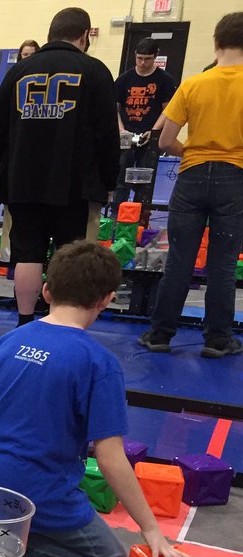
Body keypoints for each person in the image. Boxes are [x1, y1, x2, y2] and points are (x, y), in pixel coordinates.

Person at [0, 241, 189, 557]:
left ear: (45, 290)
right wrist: (152, 530)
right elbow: (110, 457)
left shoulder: (9, 340)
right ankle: (5, 545)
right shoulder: (99, 363)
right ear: (106, 299)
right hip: (36, 493)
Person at [0, 7, 119, 329]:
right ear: (85, 35)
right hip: (74, 182)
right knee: (71, 257)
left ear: (50, 33)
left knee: (27, 252)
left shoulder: (20, 71)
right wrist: (109, 180)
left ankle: (25, 321)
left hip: (23, 180)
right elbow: (107, 134)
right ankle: (64, 323)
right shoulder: (95, 70)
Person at [139, 12, 243, 359]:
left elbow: (165, 139)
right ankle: (217, 340)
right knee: (223, 264)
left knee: (180, 259)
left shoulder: (194, 83)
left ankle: (159, 334)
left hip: (193, 175)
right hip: (235, 178)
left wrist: (193, 154)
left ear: (216, 43)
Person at [112, 38, 177, 218]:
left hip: (150, 135)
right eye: (139, 58)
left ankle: (140, 218)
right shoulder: (124, 79)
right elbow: (114, 108)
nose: (142, 63)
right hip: (127, 133)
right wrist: (121, 129)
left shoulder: (164, 80)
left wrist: (154, 130)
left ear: (155, 57)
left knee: (145, 182)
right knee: (121, 180)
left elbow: (168, 110)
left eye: (147, 59)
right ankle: (116, 217)